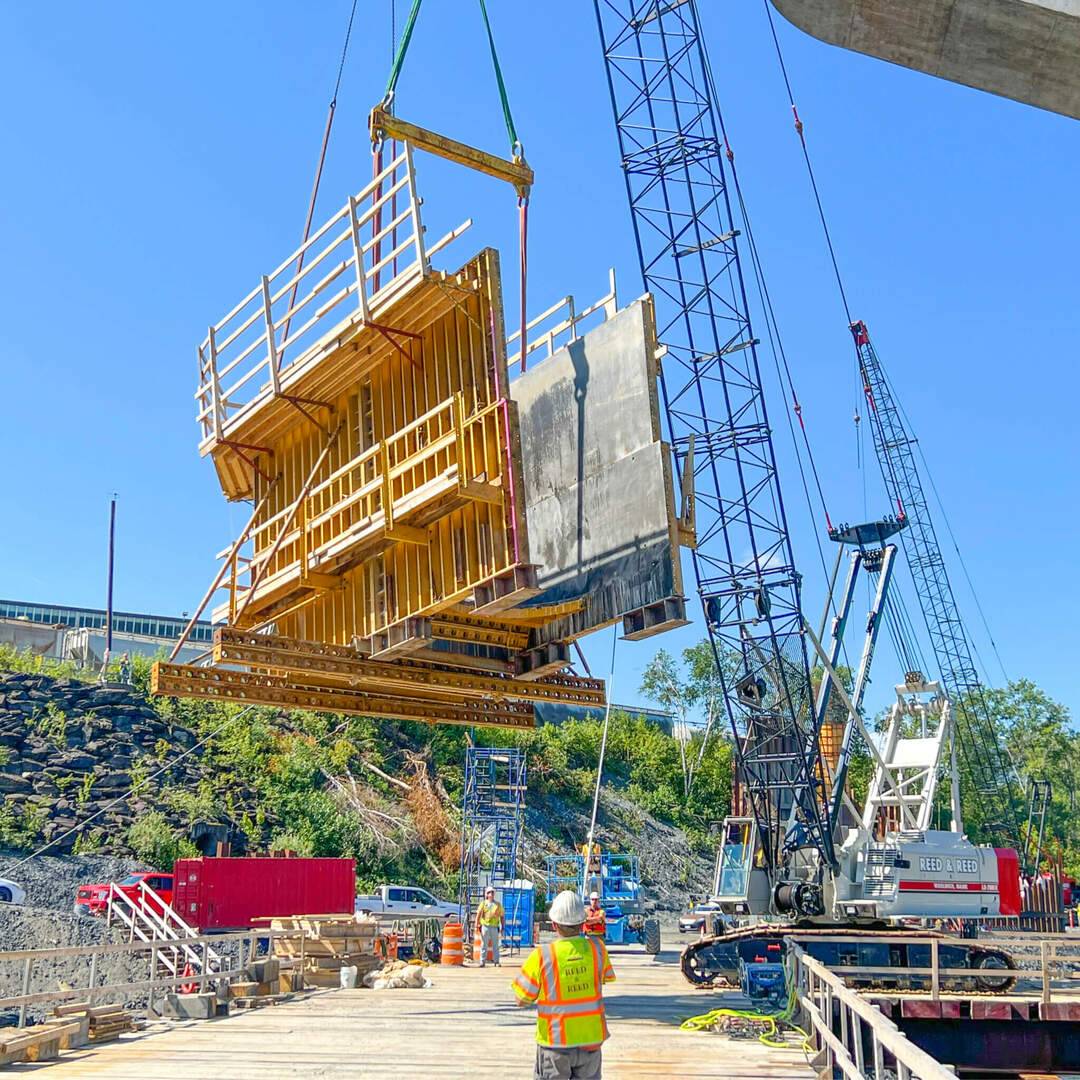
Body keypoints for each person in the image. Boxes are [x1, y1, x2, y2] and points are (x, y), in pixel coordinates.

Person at [512, 890, 615, 1079]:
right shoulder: (598, 950)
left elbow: (521, 999)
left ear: (554, 924)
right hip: (590, 1042)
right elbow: (604, 978)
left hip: (555, 1043)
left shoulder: (543, 956)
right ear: (583, 923)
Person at [475, 885, 505, 967]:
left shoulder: (498, 905)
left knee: (496, 945)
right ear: (486, 894)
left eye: (492, 892)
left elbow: (502, 916)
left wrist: (502, 927)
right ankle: (482, 962)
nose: (491, 894)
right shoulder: (483, 904)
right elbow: (479, 914)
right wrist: (477, 925)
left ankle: (496, 961)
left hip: (494, 927)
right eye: (489, 892)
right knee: (484, 945)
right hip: (485, 926)